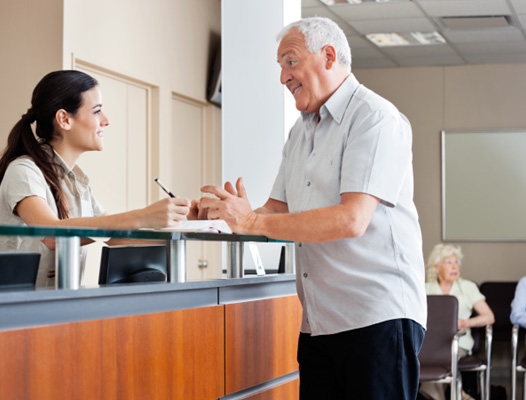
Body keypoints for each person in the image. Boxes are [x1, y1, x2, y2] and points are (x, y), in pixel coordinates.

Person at [198, 17, 427, 400]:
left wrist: (251, 221)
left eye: (290, 62)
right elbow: (275, 210)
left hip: (376, 317)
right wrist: (228, 215)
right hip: (319, 323)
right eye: (280, 67)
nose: (283, 77)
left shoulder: (374, 118)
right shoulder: (301, 131)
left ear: (329, 56)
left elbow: (352, 218)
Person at [0, 70, 191, 288]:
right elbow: (51, 234)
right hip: (16, 311)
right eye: (97, 111)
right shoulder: (23, 171)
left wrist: (186, 222)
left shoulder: (78, 181)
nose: (106, 121)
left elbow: (114, 236)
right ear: (64, 119)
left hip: (57, 306)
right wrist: (144, 216)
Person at [421, 243, 494, 400]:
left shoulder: (467, 287)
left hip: (457, 344)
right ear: (436, 267)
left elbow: (489, 317)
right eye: (449, 262)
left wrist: (464, 323)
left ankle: (452, 395)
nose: (455, 267)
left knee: (441, 359)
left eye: (456, 262)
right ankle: (461, 395)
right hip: (428, 345)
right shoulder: (425, 289)